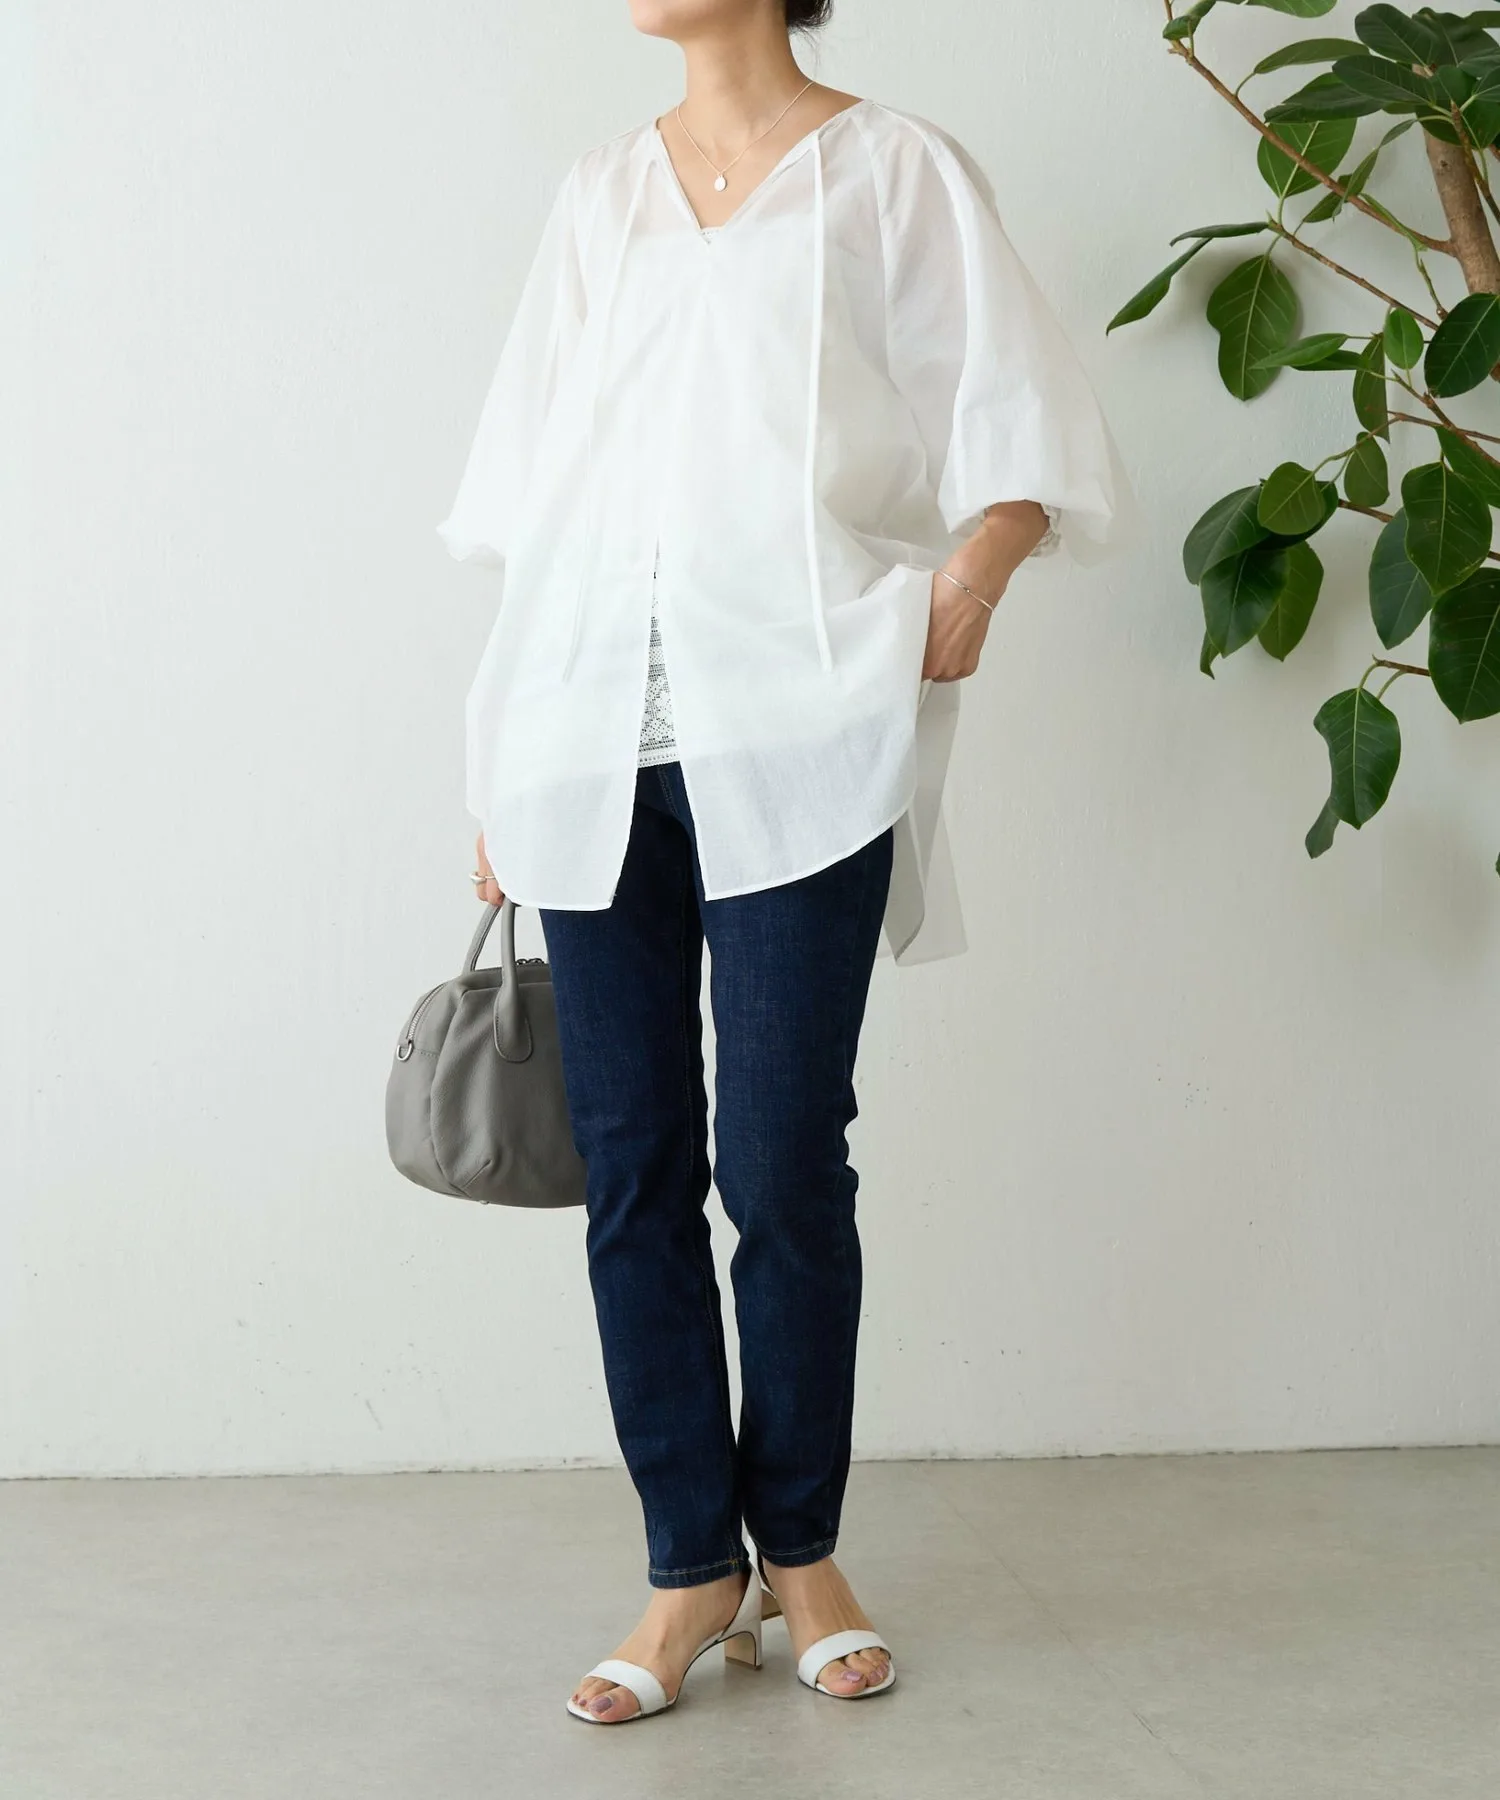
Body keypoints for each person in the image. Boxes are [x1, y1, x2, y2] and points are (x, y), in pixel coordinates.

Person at [438, 0, 1129, 1726]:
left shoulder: (891, 171)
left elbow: (1021, 417)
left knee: (783, 1161)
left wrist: (973, 580)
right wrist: (508, 758)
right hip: (587, 731)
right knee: (632, 1167)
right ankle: (694, 1566)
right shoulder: (600, 194)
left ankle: (802, 1550)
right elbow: (534, 499)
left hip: (804, 725)